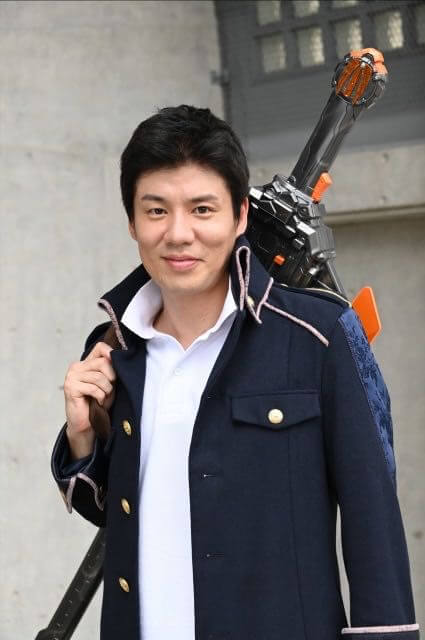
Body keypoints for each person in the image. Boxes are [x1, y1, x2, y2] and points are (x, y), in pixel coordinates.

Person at [51, 105, 419, 640]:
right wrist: (83, 436)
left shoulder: (320, 336)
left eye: (202, 209)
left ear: (240, 215)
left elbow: (374, 527)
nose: (179, 234)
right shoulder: (115, 348)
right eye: (156, 211)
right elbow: (119, 514)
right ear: (132, 222)